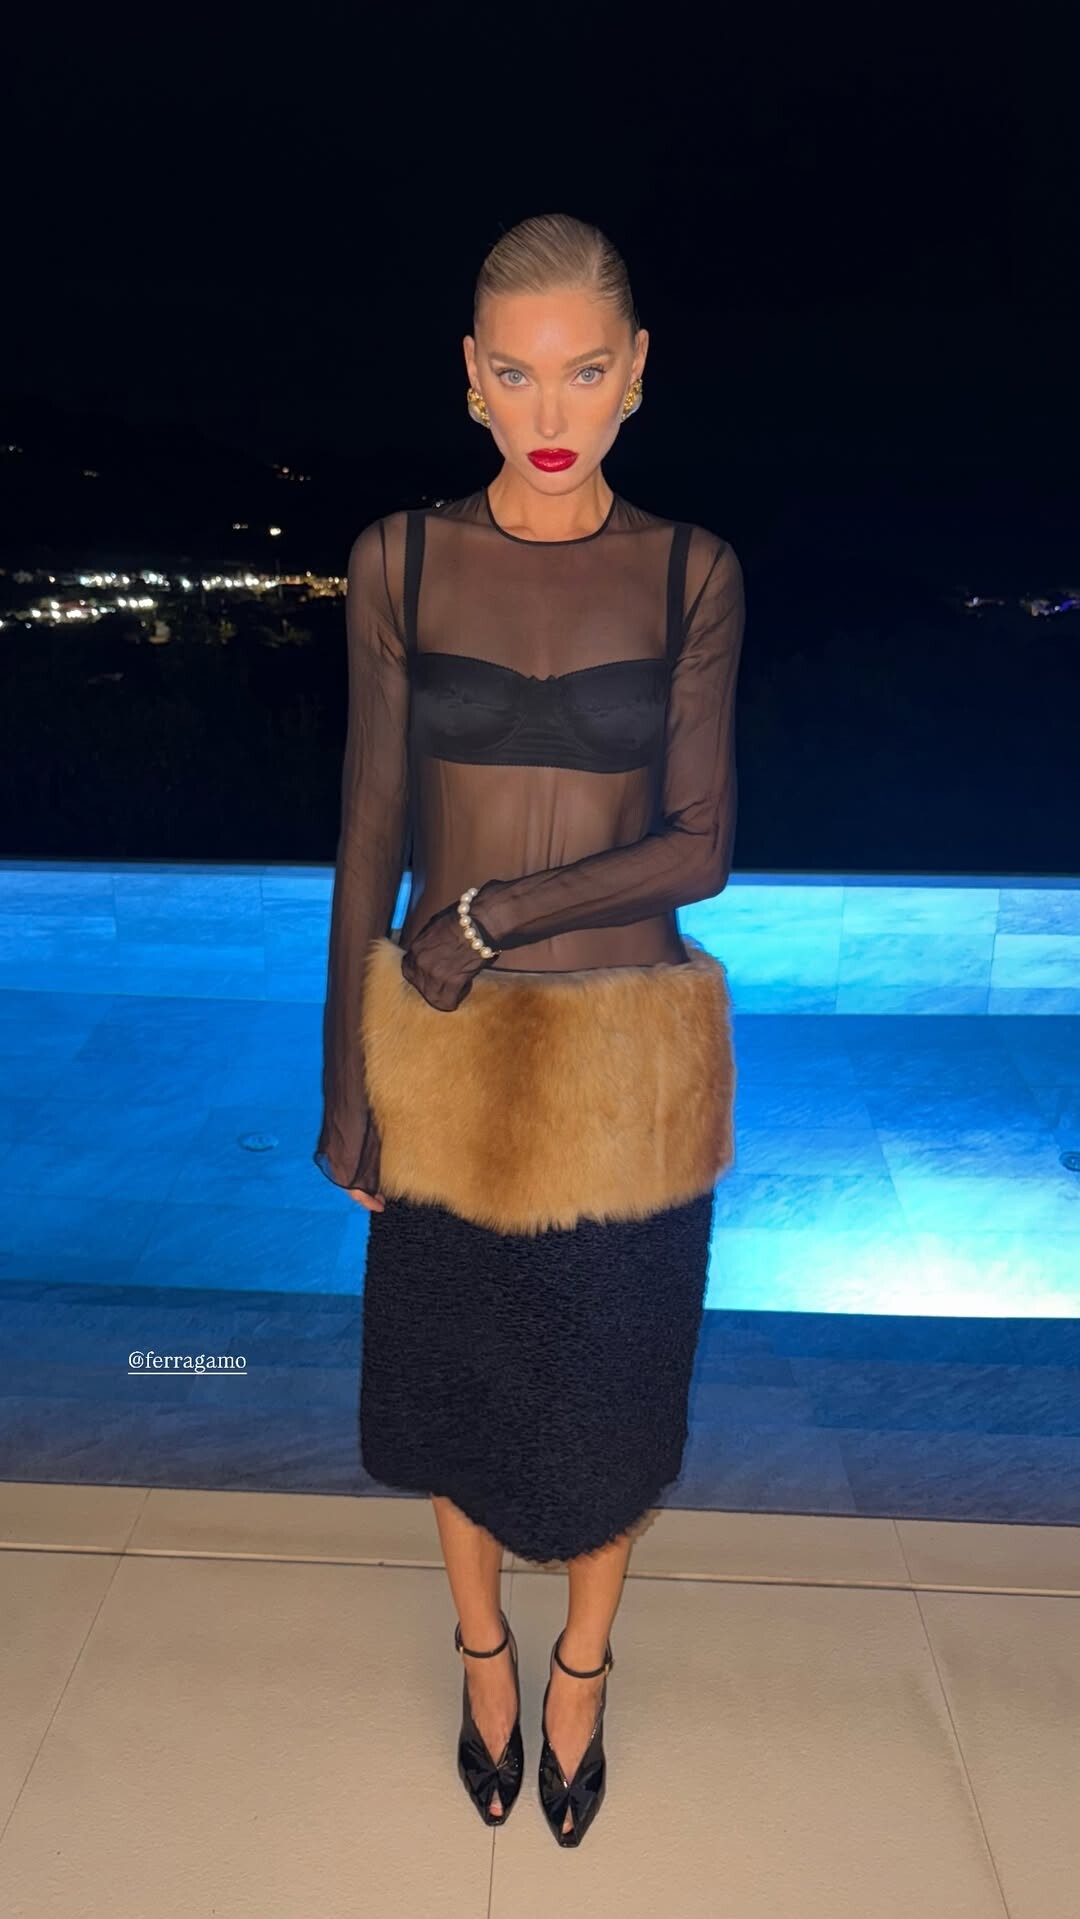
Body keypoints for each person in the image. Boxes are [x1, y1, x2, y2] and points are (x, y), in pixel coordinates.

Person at [315, 211, 744, 1848]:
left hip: (630, 1067)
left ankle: (583, 1669)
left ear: (635, 374)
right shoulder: (400, 560)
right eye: (514, 371)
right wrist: (346, 1079)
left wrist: (495, 915)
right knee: (455, 1387)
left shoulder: (693, 571)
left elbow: (700, 847)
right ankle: (485, 1653)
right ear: (472, 378)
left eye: (581, 370)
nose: (547, 409)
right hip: (443, 1054)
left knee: (615, 1398)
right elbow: (369, 833)